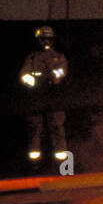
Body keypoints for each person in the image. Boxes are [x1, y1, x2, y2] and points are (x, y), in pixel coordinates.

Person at [20, 25, 69, 165]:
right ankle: (35, 160)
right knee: (35, 126)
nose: (46, 42)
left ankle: (61, 159)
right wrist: (33, 81)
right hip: (36, 97)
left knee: (57, 125)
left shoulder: (59, 57)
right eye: (43, 39)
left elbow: (62, 72)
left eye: (48, 39)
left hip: (54, 96)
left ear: (53, 40)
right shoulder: (32, 58)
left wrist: (52, 77)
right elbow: (24, 75)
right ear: (38, 40)